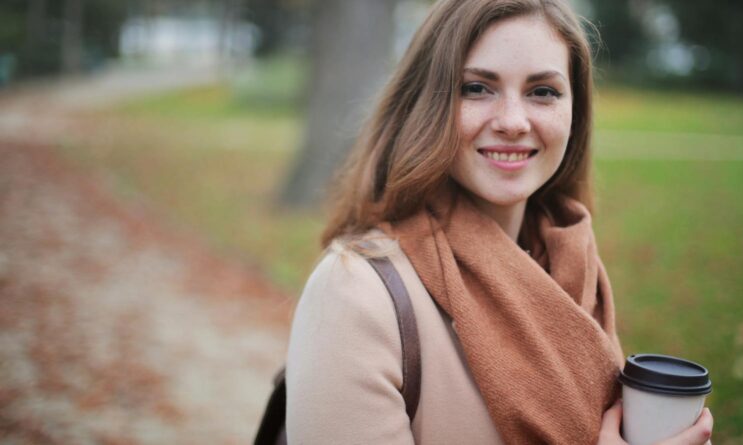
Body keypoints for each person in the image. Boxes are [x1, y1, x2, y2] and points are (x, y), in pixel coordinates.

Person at [284, 0, 714, 443]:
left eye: (542, 91)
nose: (512, 121)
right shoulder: (354, 293)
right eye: (476, 88)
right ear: (425, 104)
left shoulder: (573, 267)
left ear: (575, 113)